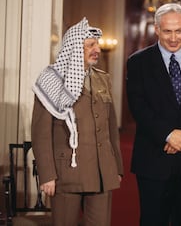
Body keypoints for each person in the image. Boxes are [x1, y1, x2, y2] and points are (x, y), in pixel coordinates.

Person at [126, 3, 181, 226]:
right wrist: (168, 134)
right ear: (156, 29)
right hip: (153, 159)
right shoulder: (138, 62)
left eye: (178, 30)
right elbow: (138, 107)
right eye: (167, 31)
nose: (173, 37)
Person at [31, 18, 124, 226]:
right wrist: (47, 175)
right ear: (74, 47)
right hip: (66, 173)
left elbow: (111, 127)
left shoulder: (103, 78)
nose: (97, 49)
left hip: (102, 170)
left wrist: (115, 167)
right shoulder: (51, 80)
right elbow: (41, 132)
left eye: (97, 44)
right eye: (91, 45)